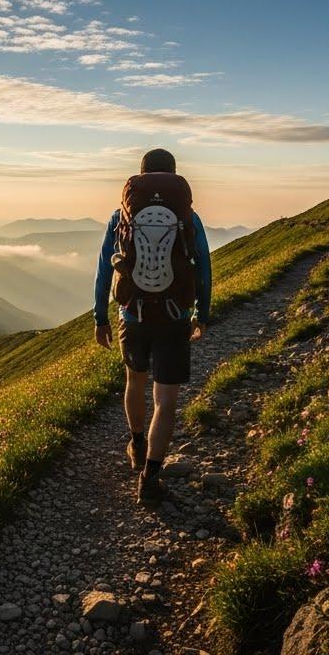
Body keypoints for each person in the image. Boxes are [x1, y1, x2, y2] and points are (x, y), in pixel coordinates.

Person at [93, 148, 211, 506]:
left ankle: (137, 442)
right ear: (175, 177)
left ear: (140, 177)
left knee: (135, 381)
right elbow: (203, 269)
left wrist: (100, 317)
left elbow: (103, 271)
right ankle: (150, 478)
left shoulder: (120, 217)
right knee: (167, 401)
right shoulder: (189, 218)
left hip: (133, 315)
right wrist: (201, 315)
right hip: (175, 316)